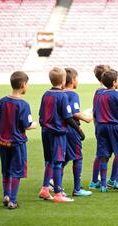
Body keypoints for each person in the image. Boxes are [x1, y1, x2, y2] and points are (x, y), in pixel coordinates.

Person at [38, 67, 84, 203]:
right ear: (64, 80)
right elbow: (68, 117)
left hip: (45, 131)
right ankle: (58, 193)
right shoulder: (62, 96)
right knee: (58, 162)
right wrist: (79, 130)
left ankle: (45, 189)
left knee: (49, 161)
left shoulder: (45, 94)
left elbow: (41, 113)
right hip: (57, 133)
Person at [0, 71, 37, 209]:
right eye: (27, 84)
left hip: (3, 142)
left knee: (5, 169)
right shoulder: (23, 104)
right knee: (17, 170)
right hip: (17, 143)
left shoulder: (3, 101)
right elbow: (26, 125)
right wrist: (34, 125)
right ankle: (13, 200)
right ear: (23, 85)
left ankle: (6, 195)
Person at [63, 67, 93, 197]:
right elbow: (74, 113)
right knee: (77, 157)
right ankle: (77, 188)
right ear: (73, 80)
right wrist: (87, 118)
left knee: (64, 157)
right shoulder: (73, 94)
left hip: (60, 129)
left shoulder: (58, 93)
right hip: (71, 129)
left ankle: (52, 181)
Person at [89, 64, 115, 189]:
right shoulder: (102, 91)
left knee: (102, 153)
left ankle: (97, 179)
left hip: (100, 124)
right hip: (105, 125)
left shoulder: (100, 91)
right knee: (102, 154)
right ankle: (96, 180)